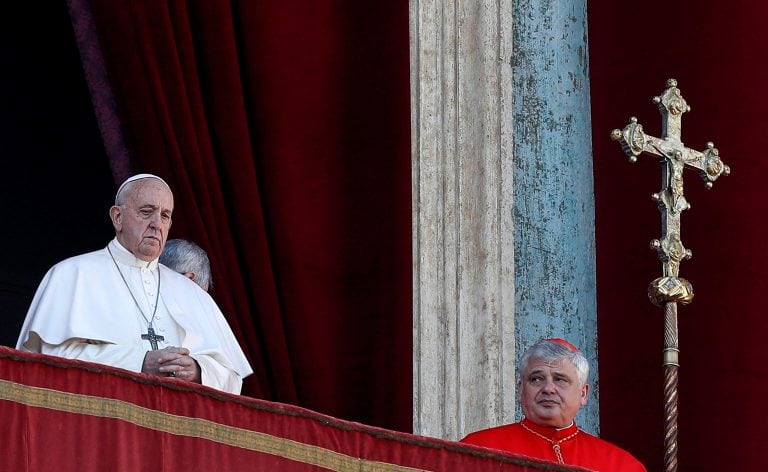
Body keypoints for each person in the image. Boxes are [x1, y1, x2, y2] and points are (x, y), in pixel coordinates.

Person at [16, 174, 253, 395]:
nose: (156, 224)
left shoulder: (192, 293)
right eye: (146, 211)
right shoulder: (72, 274)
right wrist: (140, 362)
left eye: (165, 215)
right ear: (117, 217)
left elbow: (232, 377)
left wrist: (199, 370)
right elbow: (48, 360)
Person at [461, 338, 646, 471]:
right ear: (520, 390)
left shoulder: (621, 465)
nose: (548, 388)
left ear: (583, 393)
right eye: (536, 379)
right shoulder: (476, 450)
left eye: (560, 379)